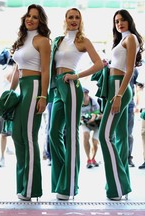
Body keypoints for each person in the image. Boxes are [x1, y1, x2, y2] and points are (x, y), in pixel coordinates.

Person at [49, 7, 103, 200]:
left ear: (81, 21)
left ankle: (69, 186)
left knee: (71, 135)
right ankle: (63, 177)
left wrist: (76, 75)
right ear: (65, 19)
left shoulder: (83, 41)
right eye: (70, 17)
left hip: (72, 85)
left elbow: (99, 63)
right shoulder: (58, 41)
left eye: (77, 17)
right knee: (53, 133)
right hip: (57, 88)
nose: (73, 20)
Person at [98, 9, 143, 201]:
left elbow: (130, 69)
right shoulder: (121, 40)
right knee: (120, 138)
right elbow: (120, 64)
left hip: (119, 88)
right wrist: (107, 64)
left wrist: (118, 94)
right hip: (115, 85)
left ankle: (116, 186)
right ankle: (121, 185)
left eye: (123, 20)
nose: (119, 23)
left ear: (129, 21)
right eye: (116, 21)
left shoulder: (131, 38)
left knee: (104, 135)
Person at [9, 4, 50, 201]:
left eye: (35, 17)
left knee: (29, 136)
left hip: (34, 87)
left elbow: (45, 71)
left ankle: (31, 189)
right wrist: (9, 93)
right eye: (28, 15)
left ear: (40, 20)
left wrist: (43, 96)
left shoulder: (43, 41)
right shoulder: (22, 40)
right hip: (22, 88)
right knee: (17, 135)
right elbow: (17, 70)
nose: (30, 19)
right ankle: (22, 184)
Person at [80, 87, 102, 168]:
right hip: (85, 124)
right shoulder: (78, 103)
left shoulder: (94, 102)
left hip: (96, 124)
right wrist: (82, 119)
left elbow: (99, 114)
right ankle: (88, 159)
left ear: (86, 94)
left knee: (95, 142)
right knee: (86, 136)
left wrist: (94, 116)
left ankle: (93, 158)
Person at [127, 68, 139, 167]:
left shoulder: (134, 70)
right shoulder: (112, 65)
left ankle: (128, 157)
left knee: (129, 133)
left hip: (130, 104)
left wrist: (137, 104)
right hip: (116, 102)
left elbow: (137, 87)